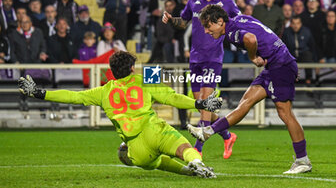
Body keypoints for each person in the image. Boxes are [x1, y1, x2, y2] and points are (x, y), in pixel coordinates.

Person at [18, 51, 221, 178]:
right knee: (184, 148)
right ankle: (196, 163)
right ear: (132, 68)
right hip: (153, 130)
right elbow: (172, 98)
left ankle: (188, 172)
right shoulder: (144, 79)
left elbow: (72, 96)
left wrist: (38, 92)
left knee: (154, 162)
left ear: (112, 71)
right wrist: (199, 103)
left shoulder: (104, 91)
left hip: (135, 148)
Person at [187, 4, 312, 174]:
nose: (207, 31)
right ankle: (208, 132)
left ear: (220, 21)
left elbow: (251, 39)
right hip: (276, 64)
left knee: (285, 112)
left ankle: (302, 160)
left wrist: (253, 57)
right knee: (246, 101)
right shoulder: (238, 19)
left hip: (280, 65)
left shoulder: (231, 32)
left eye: (208, 26)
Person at [162, 0, 239, 158]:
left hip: (213, 59)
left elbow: (240, 22)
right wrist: (172, 20)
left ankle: (197, 150)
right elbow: (183, 21)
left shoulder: (227, 4)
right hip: (195, 59)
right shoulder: (194, 1)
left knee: (205, 103)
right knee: (201, 106)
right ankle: (227, 136)